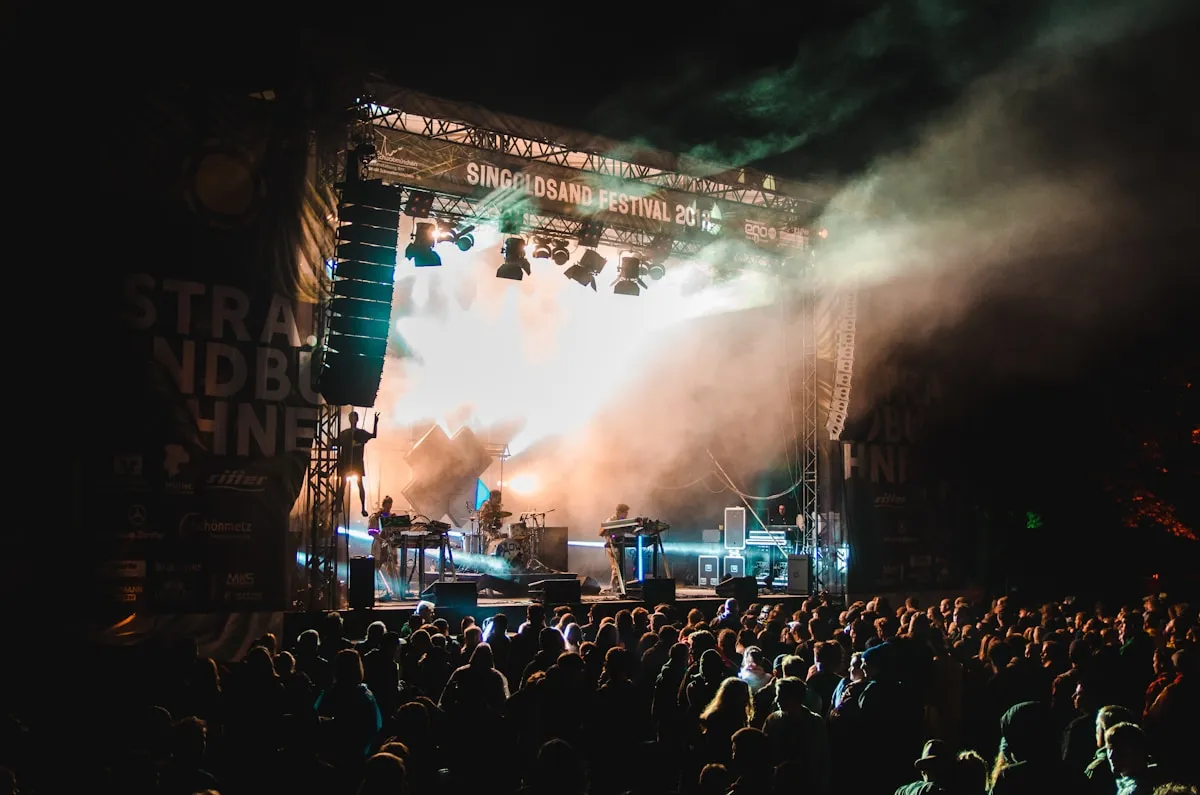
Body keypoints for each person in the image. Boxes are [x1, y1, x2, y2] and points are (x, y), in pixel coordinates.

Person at [337, 410, 379, 517]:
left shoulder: (357, 433)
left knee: (358, 484)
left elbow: (374, 435)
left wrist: (375, 422)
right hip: (348, 462)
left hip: (353, 462)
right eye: (352, 418)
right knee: (343, 485)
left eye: (354, 418)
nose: (353, 420)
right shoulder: (346, 433)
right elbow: (335, 442)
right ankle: (338, 507)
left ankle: (362, 508)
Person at [368, 496, 398, 599]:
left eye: (391, 505)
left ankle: (396, 591)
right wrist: (382, 539)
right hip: (379, 546)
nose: (389, 507)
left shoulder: (392, 517)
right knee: (375, 569)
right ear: (383, 505)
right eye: (387, 505)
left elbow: (396, 532)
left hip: (389, 546)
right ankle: (369, 592)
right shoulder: (375, 517)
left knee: (392, 570)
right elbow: (371, 531)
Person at [600, 503, 631, 594]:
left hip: (620, 544)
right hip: (612, 545)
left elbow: (630, 530)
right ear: (619, 512)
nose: (626, 515)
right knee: (616, 566)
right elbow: (602, 532)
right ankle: (613, 587)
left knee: (618, 567)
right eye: (625, 512)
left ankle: (615, 587)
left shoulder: (624, 521)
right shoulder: (611, 520)